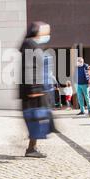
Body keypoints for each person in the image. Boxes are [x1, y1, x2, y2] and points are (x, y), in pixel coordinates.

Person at [20, 21, 57, 158]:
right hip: (33, 91)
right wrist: (34, 89)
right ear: (37, 32)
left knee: (38, 118)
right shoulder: (30, 45)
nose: (47, 34)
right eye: (46, 31)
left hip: (35, 89)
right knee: (36, 118)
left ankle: (32, 148)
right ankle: (31, 149)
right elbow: (29, 67)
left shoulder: (31, 45)